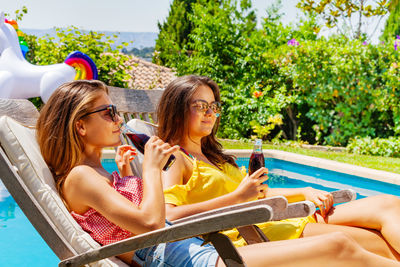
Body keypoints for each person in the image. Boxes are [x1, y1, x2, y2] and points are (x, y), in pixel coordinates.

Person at [35, 79, 400, 267]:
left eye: (116, 112)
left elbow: (131, 217)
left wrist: (130, 172)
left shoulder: (96, 173)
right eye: (108, 113)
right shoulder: (80, 176)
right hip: (185, 258)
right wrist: (148, 168)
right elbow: (150, 223)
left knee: (348, 244)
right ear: (79, 126)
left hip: (191, 248)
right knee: (338, 246)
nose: (118, 119)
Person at [158, 75, 400, 261]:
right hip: (262, 233)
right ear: (178, 110)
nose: (211, 113)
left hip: (280, 217)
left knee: (388, 203)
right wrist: (237, 197)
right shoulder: (176, 158)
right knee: (374, 244)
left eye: (214, 105)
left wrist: (304, 190)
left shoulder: (214, 157)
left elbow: (258, 196)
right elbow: (167, 218)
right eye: (201, 106)